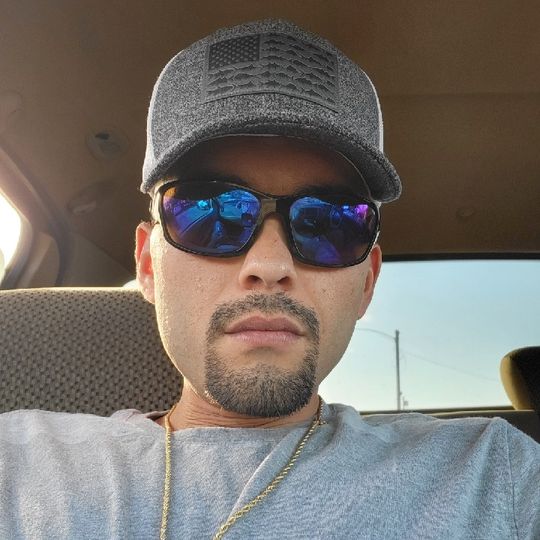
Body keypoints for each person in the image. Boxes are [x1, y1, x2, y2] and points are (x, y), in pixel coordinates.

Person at [1, 19, 539, 540]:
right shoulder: (18, 465)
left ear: (367, 283)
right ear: (148, 265)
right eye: (211, 213)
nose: (271, 265)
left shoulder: (496, 475)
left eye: (328, 223)